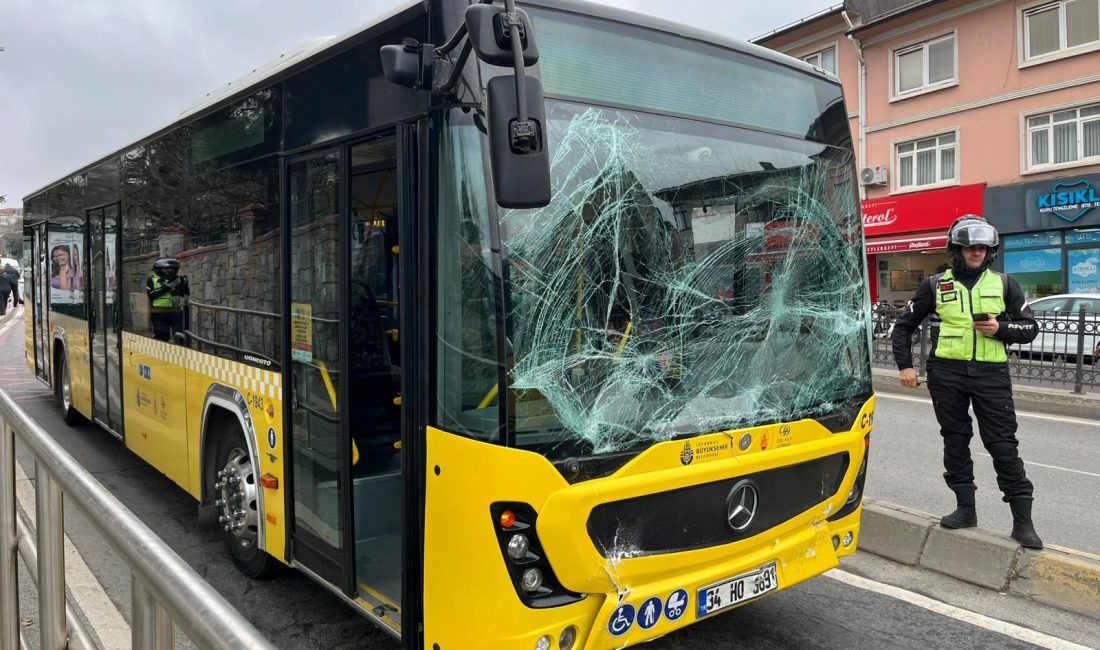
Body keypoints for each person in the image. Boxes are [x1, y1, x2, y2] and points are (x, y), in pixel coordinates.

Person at [890, 215, 1042, 549]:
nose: (976, 253)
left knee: (1002, 444)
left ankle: (1022, 522)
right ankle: (965, 508)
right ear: (956, 249)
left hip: (991, 375)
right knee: (955, 440)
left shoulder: (1005, 284)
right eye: (970, 247)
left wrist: (1000, 329)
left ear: (991, 252)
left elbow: (1030, 328)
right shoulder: (934, 285)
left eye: (982, 248)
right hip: (947, 373)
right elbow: (904, 326)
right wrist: (905, 366)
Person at [146, 258, 190, 341]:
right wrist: (168, 287)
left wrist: (181, 288)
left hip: (176, 312)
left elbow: (186, 295)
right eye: (165, 268)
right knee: (162, 337)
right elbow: (151, 294)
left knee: (179, 337)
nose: (168, 271)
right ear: (159, 269)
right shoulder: (152, 279)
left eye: (171, 268)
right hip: (158, 313)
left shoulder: (180, 279)